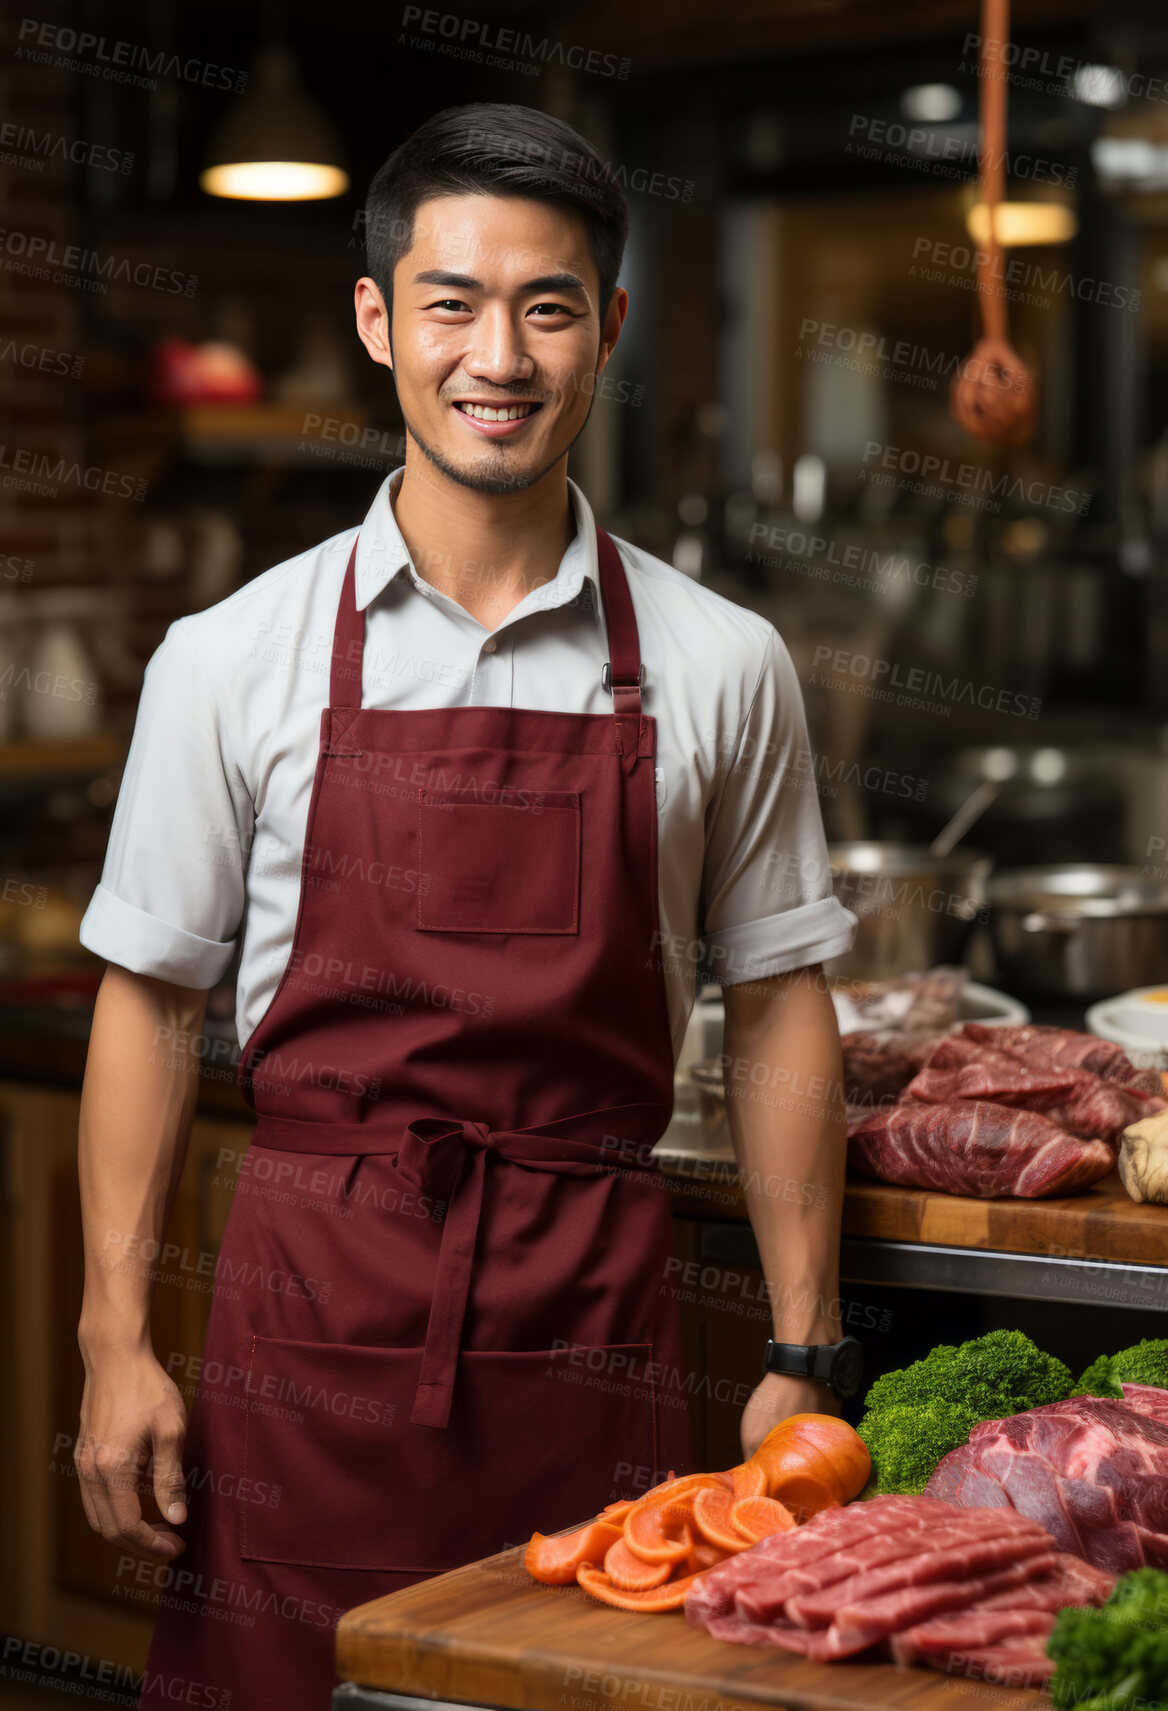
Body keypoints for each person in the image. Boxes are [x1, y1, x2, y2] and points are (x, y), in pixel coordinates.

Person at [75, 101, 859, 1709]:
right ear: (377, 323)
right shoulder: (233, 658)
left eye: (547, 306)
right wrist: (113, 1342)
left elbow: (780, 994)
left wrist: (801, 1355)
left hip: (595, 1329)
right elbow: (148, 1000)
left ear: (609, 331)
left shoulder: (724, 663)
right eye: (451, 302)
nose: (495, 355)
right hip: (309, 1330)